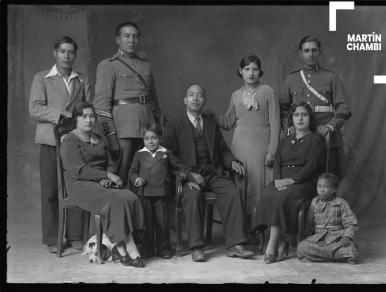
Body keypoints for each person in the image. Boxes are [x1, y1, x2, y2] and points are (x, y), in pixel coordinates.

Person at [163, 84, 256, 262]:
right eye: (191, 95)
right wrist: (188, 174)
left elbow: (222, 150)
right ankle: (197, 247)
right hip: (190, 177)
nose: (195, 98)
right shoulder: (175, 123)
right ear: (185, 100)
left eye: (199, 95)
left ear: (204, 100)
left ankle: (235, 245)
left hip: (213, 173)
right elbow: (167, 152)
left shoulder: (211, 122)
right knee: (193, 196)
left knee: (232, 192)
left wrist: (232, 162)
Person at [60, 101, 146, 268]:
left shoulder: (99, 139)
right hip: (80, 184)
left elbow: (110, 163)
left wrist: (108, 175)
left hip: (101, 182)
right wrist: (106, 175)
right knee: (115, 198)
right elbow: (80, 171)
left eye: (92, 116)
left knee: (129, 196)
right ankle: (128, 245)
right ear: (76, 119)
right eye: (84, 116)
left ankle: (121, 246)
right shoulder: (69, 140)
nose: (89, 120)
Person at [29, 36, 91, 253]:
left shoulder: (81, 80)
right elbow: (35, 109)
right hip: (49, 140)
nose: (67, 55)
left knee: (75, 186)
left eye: (71, 52)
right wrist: (61, 114)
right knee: (50, 190)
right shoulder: (42, 78)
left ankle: (75, 235)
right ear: (54, 53)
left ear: (75, 55)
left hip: (75, 142)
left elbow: (89, 109)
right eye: (62, 51)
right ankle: (53, 238)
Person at [253, 101, 326, 264]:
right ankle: (282, 241)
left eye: (304, 115)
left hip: (303, 183)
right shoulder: (285, 140)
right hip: (282, 180)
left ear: (310, 119)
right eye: (296, 115)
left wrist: (291, 180)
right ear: (292, 118)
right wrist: (278, 180)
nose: (300, 118)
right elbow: (278, 162)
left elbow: (313, 165)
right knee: (267, 194)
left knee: (282, 198)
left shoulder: (316, 140)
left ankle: (273, 244)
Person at [216, 55, 280, 235]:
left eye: (254, 69)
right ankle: (243, 232)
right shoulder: (235, 95)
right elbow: (228, 122)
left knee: (260, 187)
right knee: (242, 186)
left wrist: (272, 150)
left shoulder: (268, 91)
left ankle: (261, 229)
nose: (251, 73)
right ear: (240, 71)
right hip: (240, 145)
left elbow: (275, 122)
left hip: (262, 145)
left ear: (260, 71)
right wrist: (209, 114)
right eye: (246, 69)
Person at [93, 21, 161, 185]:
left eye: (135, 36)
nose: (131, 40)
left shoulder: (146, 65)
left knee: (148, 176)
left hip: (147, 127)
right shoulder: (107, 66)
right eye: (127, 36)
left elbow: (154, 100)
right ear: (118, 39)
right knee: (121, 176)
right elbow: (101, 107)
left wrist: (157, 124)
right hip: (123, 129)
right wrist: (111, 135)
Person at [280, 36, 351, 180]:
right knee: (300, 179)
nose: (310, 54)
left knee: (327, 180)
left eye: (314, 50)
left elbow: (343, 108)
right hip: (300, 138)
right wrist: (288, 128)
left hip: (325, 137)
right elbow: (282, 109)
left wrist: (330, 127)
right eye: (306, 51)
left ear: (319, 52)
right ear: (300, 53)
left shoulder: (332, 77)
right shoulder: (291, 79)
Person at [128, 123, 191, 259]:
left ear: (160, 138)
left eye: (154, 138)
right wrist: (136, 179)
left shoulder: (165, 153)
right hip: (145, 193)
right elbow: (132, 172)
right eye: (147, 138)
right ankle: (148, 249)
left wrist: (186, 176)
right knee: (147, 222)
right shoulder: (139, 154)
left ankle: (164, 248)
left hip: (162, 193)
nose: (151, 141)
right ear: (143, 140)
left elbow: (180, 166)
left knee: (163, 222)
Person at [297, 173, 359, 264]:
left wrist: (347, 236)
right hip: (318, 239)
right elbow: (309, 222)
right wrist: (309, 237)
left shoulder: (341, 203)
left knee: (351, 249)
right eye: (319, 186)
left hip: (337, 238)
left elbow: (351, 223)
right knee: (301, 247)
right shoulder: (314, 202)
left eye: (326, 187)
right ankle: (334, 256)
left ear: (334, 189)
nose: (322, 190)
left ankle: (319, 256)